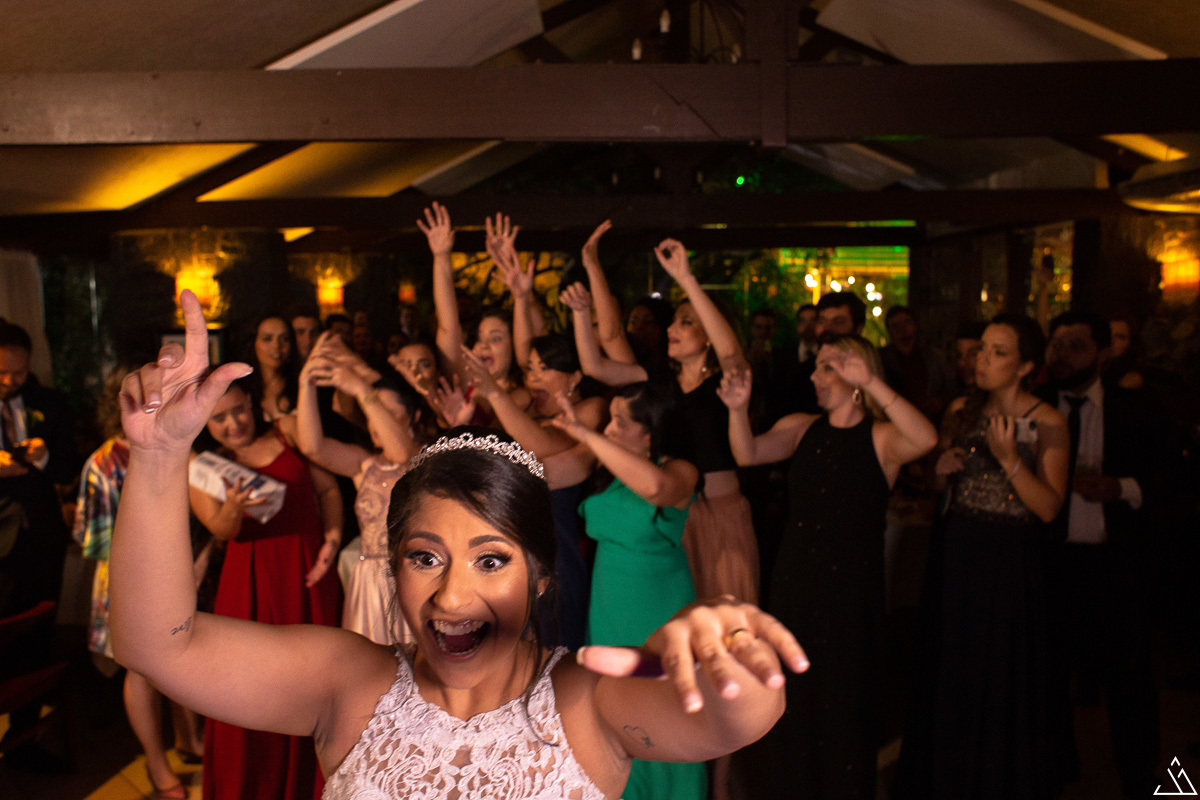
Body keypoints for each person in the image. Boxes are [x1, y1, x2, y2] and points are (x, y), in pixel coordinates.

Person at [109, 290, 809, 800]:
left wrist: (728, 649)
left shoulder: (587, 702)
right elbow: (153, 646)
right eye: (424, 557)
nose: (451, 595)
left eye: (491, 559)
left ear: (540, 576)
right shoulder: (346, 680)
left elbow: (736, 719)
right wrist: (163, 455)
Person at [720, 333, 938, 800]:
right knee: (793, 705)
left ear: (857, 375)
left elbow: (927, 438)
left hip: (850, 594)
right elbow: (747, 453)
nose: (815, 378)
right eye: (817, 367)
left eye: (827, 369)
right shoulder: (803, 427)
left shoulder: (881, 439)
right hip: (796, 582)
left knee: (843, 710)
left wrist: (873, 383)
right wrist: (737, 410)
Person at [894, 314, 1069, 800]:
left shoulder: (1048, 421)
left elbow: (1050, 508)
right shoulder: (959, 410)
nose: (982, 361)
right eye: (981, 350)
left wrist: (1010, 459)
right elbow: (937, 486)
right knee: (952, 665)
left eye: (997, 353)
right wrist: (942, 471)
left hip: (1011, 558)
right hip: (960, 549)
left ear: (1025, 366)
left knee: (1002, 671)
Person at [187, 375, 343, 800]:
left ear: (252, 404)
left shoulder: (287, 432)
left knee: (314, 679)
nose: (233, 423)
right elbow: (220, 528)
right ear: (206, 423)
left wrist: (331, 539)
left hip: (308, 567)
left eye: (239, 410)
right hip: (251, 580)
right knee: (252, 685)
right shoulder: (203, 466)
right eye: (219, 418)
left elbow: (328, 489)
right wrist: (233, 508)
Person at [552, 381, 706, 800]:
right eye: (609, 421)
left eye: (621, 423)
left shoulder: (681, 469)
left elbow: (656, 489)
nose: (610, 430)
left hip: (657, 606)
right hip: (608, 602)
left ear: (651, 431)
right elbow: (543, 473)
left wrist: (588, 435)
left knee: (662, 710)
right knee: (612, 710)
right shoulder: (600, 465)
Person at [1042, 311, 1161, 797]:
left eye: (1076, 345)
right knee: (1049, 672)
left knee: (1128, 674)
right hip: (1052, 562)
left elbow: (1169, 479)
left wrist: (1122, 487)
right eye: (1057, 345)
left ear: (1101, 354)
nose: (1063, 355)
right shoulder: (1038, 407)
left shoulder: (1134, 409)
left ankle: (1146, 777)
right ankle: (1056, 765)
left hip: (1113, 565)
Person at [73, 371, 208, 799]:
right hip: (124, 579)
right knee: (141, 670)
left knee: (181, 656)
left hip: (173, 571)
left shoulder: (178, 451)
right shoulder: (101, 462)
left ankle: (187, 739)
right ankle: (156, 764)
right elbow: (93, 541)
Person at [459, 333, 606, 650]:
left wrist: (495, 394)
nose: (533, 377)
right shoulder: (521, 407)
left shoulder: (591, 409)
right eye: (529, 369)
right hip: (504, 542)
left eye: (543, 368)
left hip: (556, 550)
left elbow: (543, 445)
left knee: (552, 651)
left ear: (576, 375)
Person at [297, 332, 430, 645]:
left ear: (414, 417)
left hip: (413, 577)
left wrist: (361, 389)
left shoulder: (427, 459)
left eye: (386, 412)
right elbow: (312, 447)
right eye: (370, 411)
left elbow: (402, 455)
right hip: (368, 583)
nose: (374, 419)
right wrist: (306, 385)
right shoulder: (364, 464)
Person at [0, 320, 79, 769]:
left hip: (42, 538)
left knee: (36, 635)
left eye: (18, 372)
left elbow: (68, 462)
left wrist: (45, 457)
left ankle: (24, 738)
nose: (11, 381)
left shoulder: (48, 401)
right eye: (1, 374)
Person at [419, 202, 531, 423]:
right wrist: (441, 256)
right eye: (479, 339)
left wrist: (519, 288)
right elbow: (448, 325)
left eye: (496, 338)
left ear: (515, 346)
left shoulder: (525, 394)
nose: (484, 346)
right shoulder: (464, 380)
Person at [880, 305, 954, 423]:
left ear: (914, 325)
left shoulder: (935, 356)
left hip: (931, 420)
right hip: (895, 421)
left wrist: (940, 401)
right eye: (896, 325)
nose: (902, 329)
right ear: (889, 330)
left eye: (906, 322)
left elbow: (951, 385)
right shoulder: (882, 358)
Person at [244, 315, 299, 422]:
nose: (276, 346)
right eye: (267, 339)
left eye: (284, 339)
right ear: (253, 343)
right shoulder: (242, 387)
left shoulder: (302, 384)